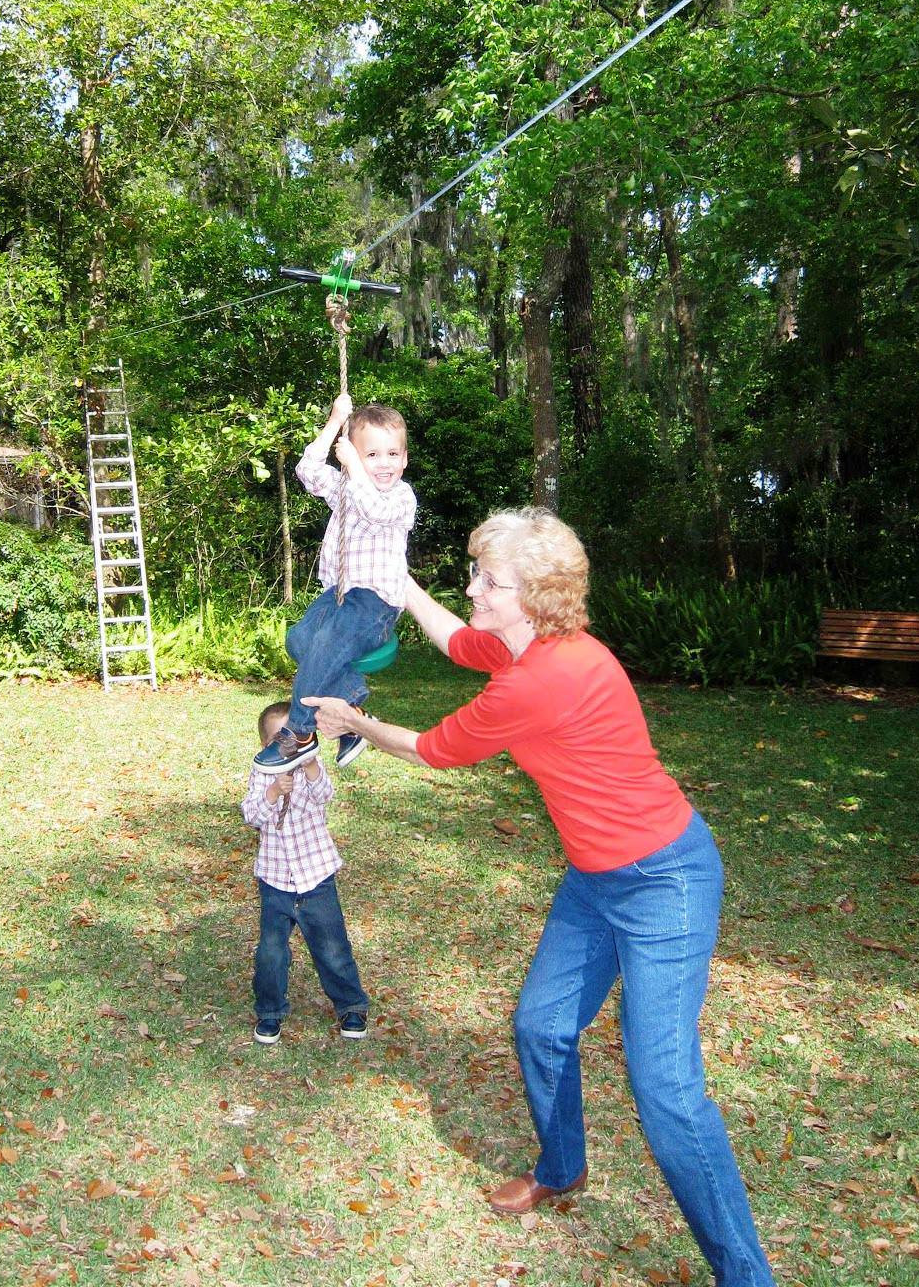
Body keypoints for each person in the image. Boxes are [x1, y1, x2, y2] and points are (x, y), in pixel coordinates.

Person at [303, 509, 775, 1287]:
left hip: (666, 881)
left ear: (537, 596)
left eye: (492, 581)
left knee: (666, 1092)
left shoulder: (547, 676)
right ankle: (563, 1167)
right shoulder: (529, 641)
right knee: (542, 1024)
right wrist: (405, 586)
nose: (476, 588)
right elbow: (461, 641)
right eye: (477, 574)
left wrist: (356, 720)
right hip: (595, 878)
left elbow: (433, 750)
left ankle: (747, 1275)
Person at [253, 394, 416, 774]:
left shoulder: (400, 497)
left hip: (374, 605)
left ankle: (300, 732)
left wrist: (355, 469)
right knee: (299, 640)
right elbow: (308, 471)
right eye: (372, 454)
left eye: (393, 454)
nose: (384, 463)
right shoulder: (346, 485)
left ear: (405, 459)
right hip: (338, 596)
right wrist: (334, 423)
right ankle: (353, 707)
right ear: (354, 456)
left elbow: (374, 510)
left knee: (325, 644)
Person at [241, 699, 369, 1045]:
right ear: (267, 746)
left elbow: (324, 794)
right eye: (278, 739)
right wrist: (271, 792)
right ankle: (269, 1012)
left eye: (294, 735)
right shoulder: (262, 772)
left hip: (316, 877)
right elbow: (251, 814)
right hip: (276, 879)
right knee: (271, 951)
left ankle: (351, 1005)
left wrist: (310, 765)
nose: (288, 744)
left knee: (332, 947)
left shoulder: (310, 764)